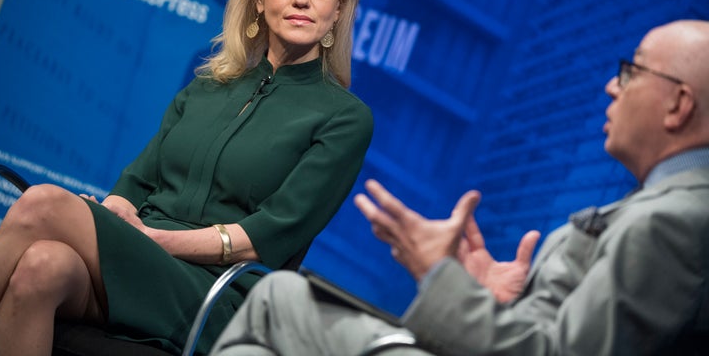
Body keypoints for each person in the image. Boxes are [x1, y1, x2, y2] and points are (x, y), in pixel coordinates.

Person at [0, 0, 373, 356]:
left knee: (43, 204)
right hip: (136, 261)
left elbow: (266, 236)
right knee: (42, 266)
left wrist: (151, 239)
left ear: (340, 5)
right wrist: (115, 212)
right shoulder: (208, 86)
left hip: (214, 294)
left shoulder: (345, 119)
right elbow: (135, 183)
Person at [209, 19, 709, 356]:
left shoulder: (675, 221)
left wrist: (441, 278)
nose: (612, 86)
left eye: (633, 71)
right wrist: (495, 300)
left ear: (679, 106)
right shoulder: (670, 207)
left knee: (279, 297)